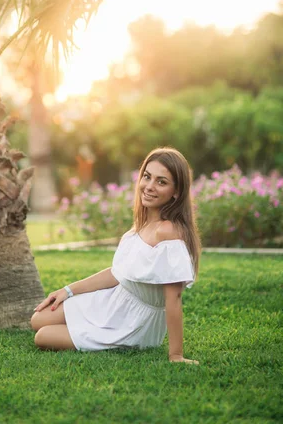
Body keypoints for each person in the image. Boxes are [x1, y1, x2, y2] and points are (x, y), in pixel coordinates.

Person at [31, 147, 201, 364]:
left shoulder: (167, 232)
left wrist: (176, 355)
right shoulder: (144, 224)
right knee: (38, 319)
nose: (149, 186)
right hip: (115, 301)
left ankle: (97, 334)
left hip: (132, 321)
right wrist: (67, 291)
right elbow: (117, 274)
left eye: (161, 182)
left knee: (43, 336)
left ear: (176, 192)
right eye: (147, 177)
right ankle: (85, 327)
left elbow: (174, 298)